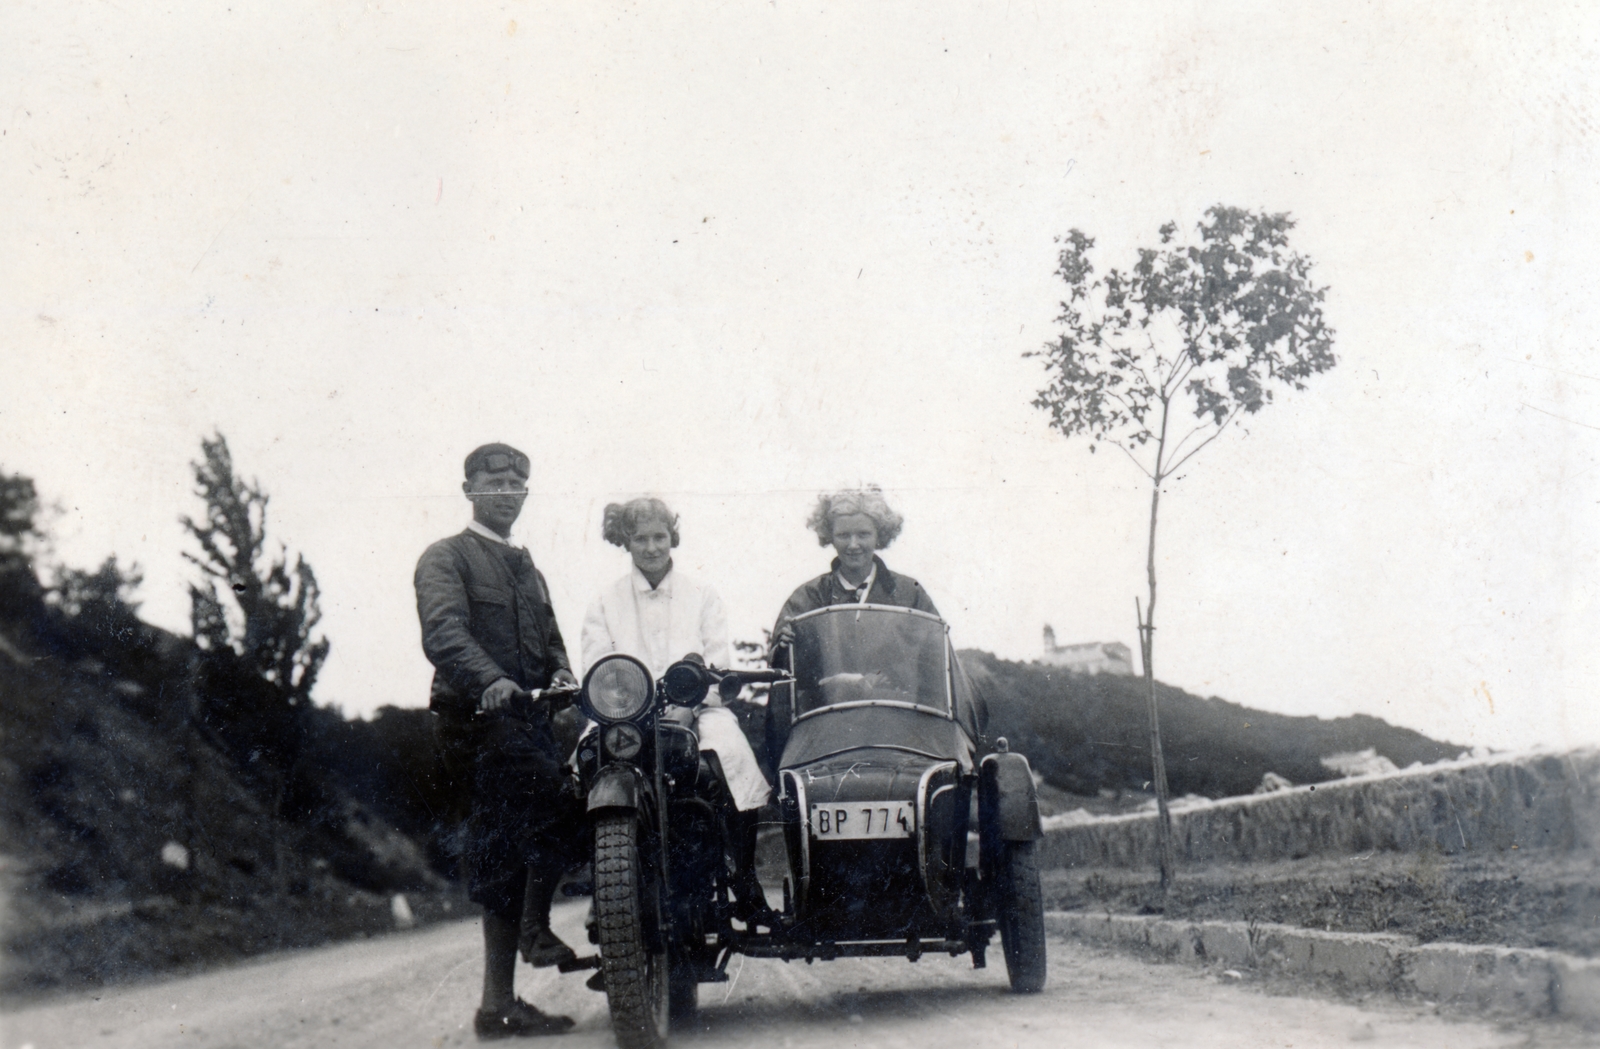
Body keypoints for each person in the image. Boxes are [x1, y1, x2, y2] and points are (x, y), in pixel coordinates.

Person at [415, 442, 581, 1040]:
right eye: (496, 480)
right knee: (559, 804)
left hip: (529, 723)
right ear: (469, 488)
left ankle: (497, 1006)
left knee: (505, 855)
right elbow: (443, 632)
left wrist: (562, 674)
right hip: (475, 724)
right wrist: (492, 680)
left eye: (519, 481)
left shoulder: (528, 567)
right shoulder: (447, 556)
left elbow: (554, 639)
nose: (508, 490)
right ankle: (536, 930)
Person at [580, 497, 775, 925]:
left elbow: (715, 658)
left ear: (672, 537)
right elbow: (597, 665)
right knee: (584, 763)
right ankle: (607, 882)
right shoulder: (605, 601)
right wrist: (624, 709)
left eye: (659, 537)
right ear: (625, 542)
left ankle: (743, 877)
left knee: (733, 757)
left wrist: (689, 707)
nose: (651, 547)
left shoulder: (701, 595)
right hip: (623, 715)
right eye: (641, 539)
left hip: (696, 710)